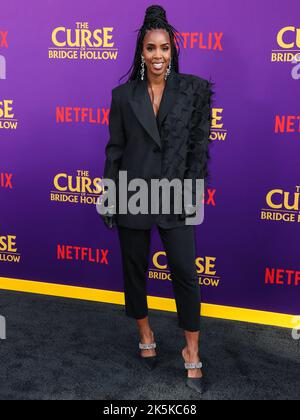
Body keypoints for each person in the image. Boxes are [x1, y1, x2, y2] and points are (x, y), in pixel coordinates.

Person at [101, 4, 214, 394]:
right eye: (151, 48)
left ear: (173, 51)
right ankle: (145, 333)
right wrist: (110, 197)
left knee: (185, 271)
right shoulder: (122, 96)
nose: (158, 56)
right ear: (141, 52)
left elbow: (198, 151)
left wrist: (191, 193)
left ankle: (191, 351)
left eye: (165, 48)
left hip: (175, 196)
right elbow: (115, 150)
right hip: (132, 194)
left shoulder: (194, 91)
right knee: (134, 270)